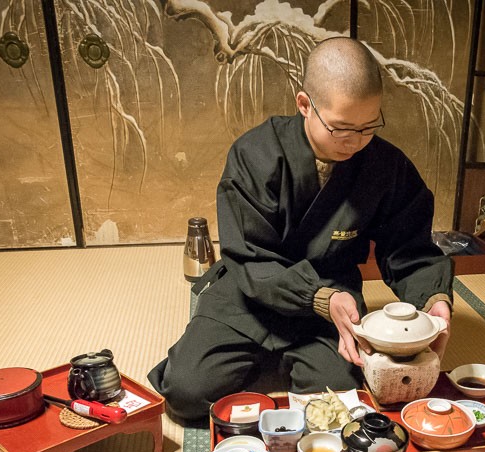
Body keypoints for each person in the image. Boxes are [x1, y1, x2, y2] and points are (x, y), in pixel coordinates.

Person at [148, 37, 454, 423]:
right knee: (187, 394)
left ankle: (273, 360)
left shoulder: (386, 165)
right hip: (249, 293)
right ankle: (258, 355)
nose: (356, 142)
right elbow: (250, 256)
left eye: (368, 127)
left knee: (337, 403)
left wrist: (434, 300)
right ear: (305, 104)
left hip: (332, 305)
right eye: (342, 128)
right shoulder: (255, 154)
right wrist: (317, 295)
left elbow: (409, 247)